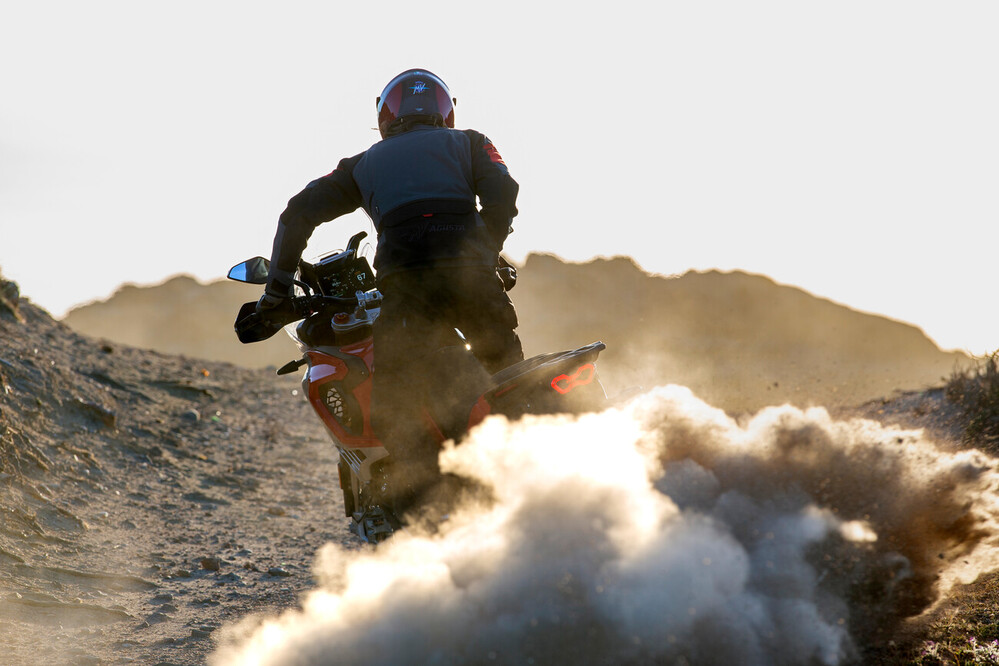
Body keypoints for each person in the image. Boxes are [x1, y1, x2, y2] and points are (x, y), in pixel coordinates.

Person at [257, 68, 524, 516]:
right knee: (512, 385)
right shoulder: (472, 143)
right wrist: (485, 249)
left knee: (393, 409)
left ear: (386, 115)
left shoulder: (363, 164)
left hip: (408, 291)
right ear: (446, 112)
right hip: (475, 283)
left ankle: (438, 516)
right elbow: (504, 189)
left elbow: (297, 213)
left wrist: (276, 293)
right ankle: (540, 486)